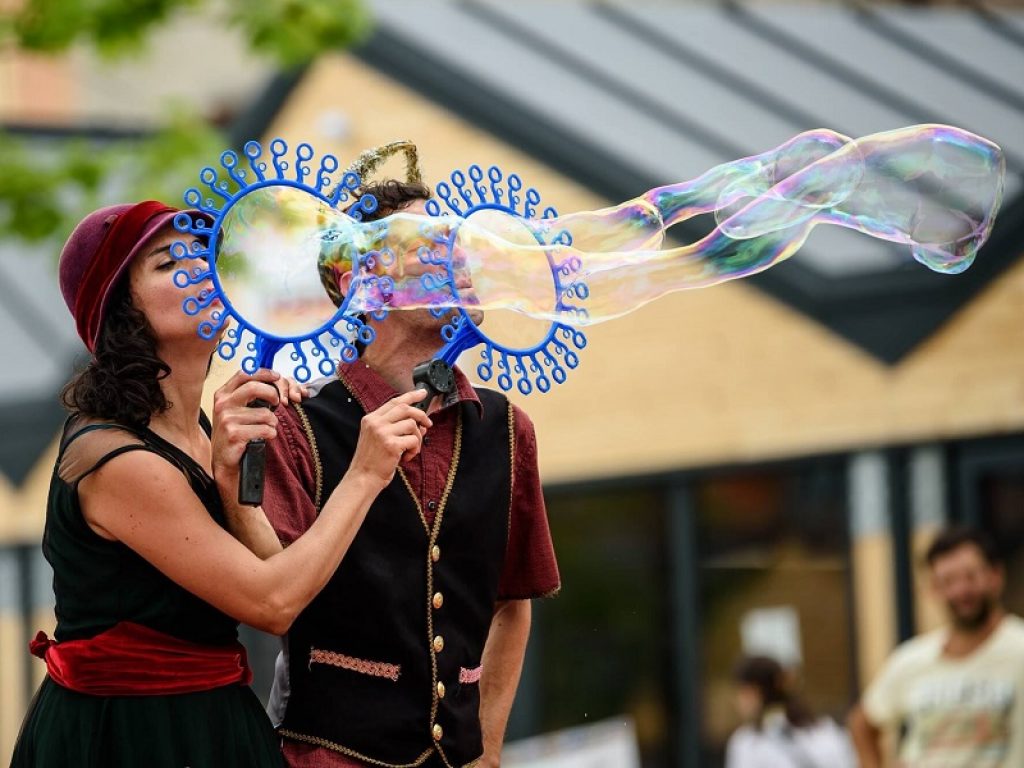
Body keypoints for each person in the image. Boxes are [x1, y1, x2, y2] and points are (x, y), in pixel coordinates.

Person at [10, 201, 430, 768]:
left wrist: (233, 480)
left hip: (210, 715)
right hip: (130, 736)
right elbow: (274, 602)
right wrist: (365, 472)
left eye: (204, 255)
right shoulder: (117, 460)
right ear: (118, 309)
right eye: (166, 263)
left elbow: (280, 575)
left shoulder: (201, 429)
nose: (199, 270)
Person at [225, 147, 561, 768]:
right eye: (429, 246)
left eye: (457, 246)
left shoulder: (508, 429)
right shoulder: (296, 426)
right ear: (364, 287)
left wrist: (487, 751)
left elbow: (511, 606)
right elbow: (274, 594)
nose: (459, 259)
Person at [848, 525, 1024, 767]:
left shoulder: (1019, 649)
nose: (961, 590)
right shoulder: (912, 659)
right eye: (947, 581)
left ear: (995, 576)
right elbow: (863, 724)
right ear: (933, 589)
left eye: (970, 576)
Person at [724, 655, 854, 768]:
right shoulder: (827, 732)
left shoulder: (748, 742)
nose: (739, 700)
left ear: (758, 692)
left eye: (744, 692)